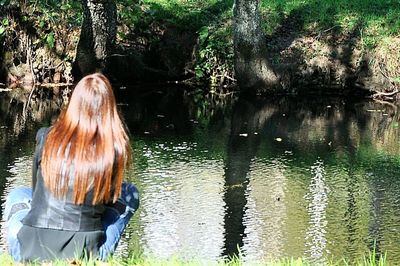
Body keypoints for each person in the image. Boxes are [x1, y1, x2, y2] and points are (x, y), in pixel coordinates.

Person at [3, 73, 139, 262]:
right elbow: (107, 199)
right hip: (85, 253)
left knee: (17, 195)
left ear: (74, 104)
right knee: (130, 193)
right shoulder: (113, 149)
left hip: (30, 250)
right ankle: (96, 255)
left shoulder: (46, 137)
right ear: (109, 109)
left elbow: (36, 195)